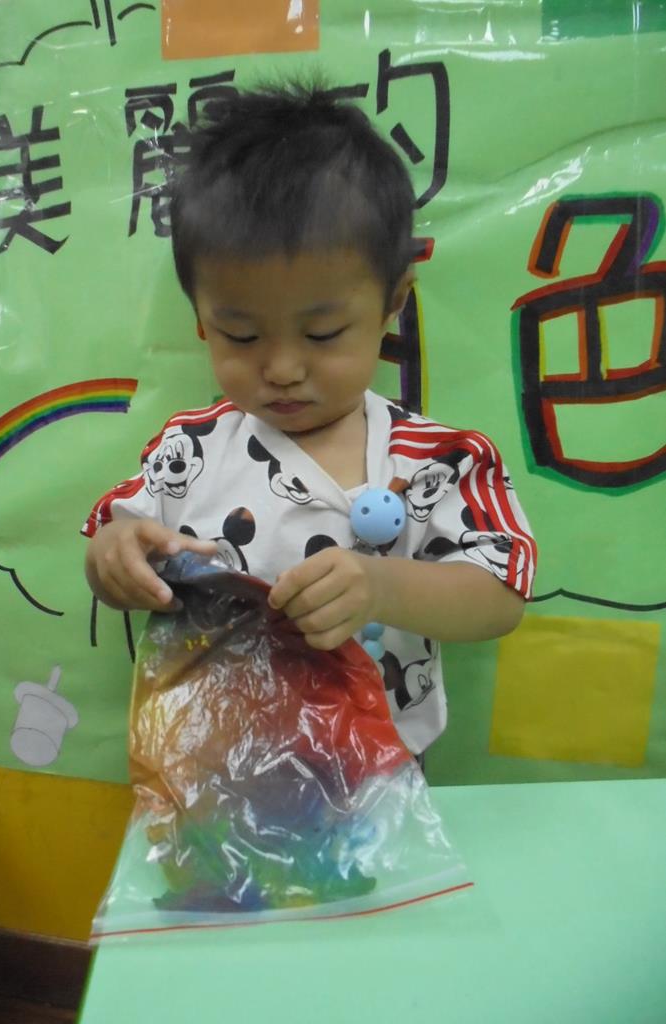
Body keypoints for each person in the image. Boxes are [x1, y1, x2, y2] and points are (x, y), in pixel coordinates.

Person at [83, 68, 537, 758]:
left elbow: (499, 596)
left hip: (376, 769)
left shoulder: (437, 462)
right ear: (202, 321)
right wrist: (113, 560)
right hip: (212, 762)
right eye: (241, 335)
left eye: (322, 334)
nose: (283, 368)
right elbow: (117, 544)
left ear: (392, 304)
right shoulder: (189, 450)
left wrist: (381, 586)